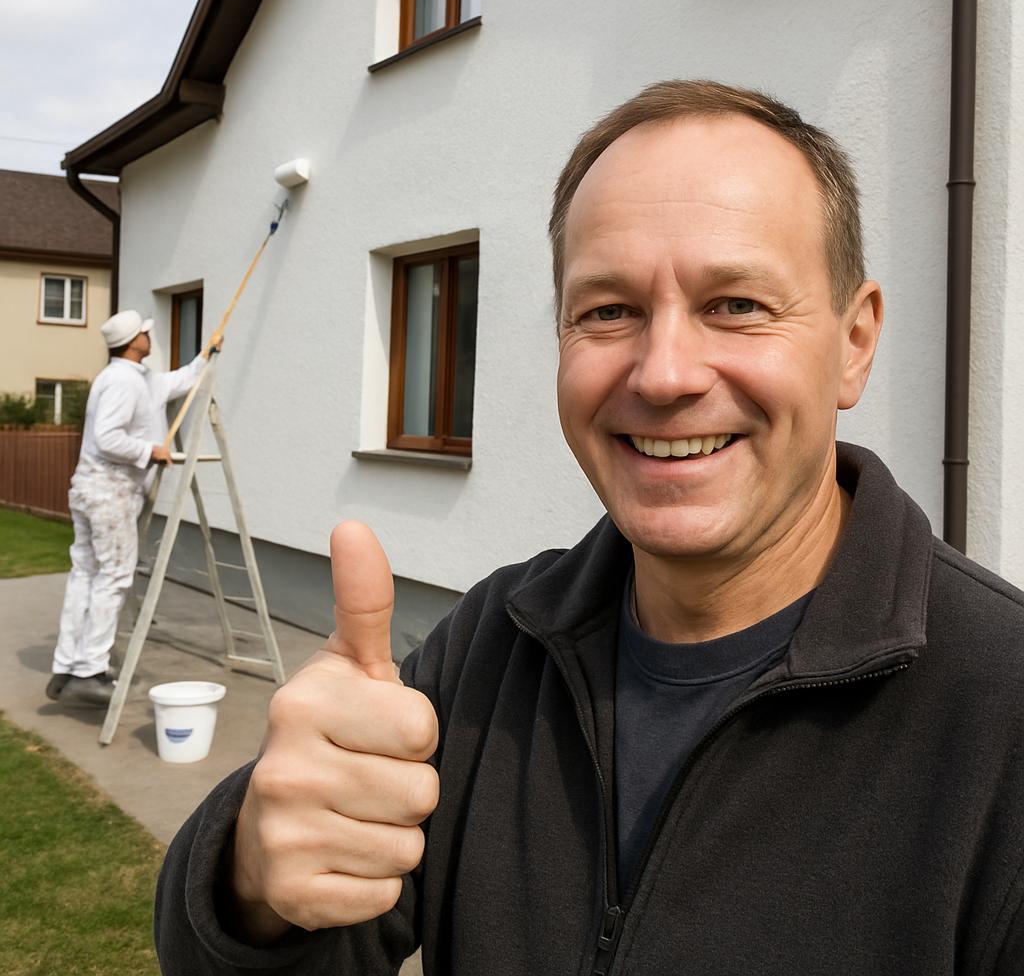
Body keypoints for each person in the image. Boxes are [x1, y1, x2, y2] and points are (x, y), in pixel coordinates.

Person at [155, 81, 1024, 974]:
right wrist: (252, 878)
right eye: (609, 311)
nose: (664, 374)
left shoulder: (1002, 710)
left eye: (736, 305)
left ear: (855, 342)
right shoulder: (493, 647)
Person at [48, 309, 222, 708]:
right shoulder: (122, 382)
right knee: (112, 578)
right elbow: (107, 437)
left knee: (85, 575)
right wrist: (149, 450)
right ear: (132, 341)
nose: (149, 336)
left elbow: (181, 381)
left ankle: (66, 668)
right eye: (144, 332)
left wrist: (206, 354)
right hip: (109, 493)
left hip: (94, 490)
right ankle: (89, 671)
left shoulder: (139, 378)